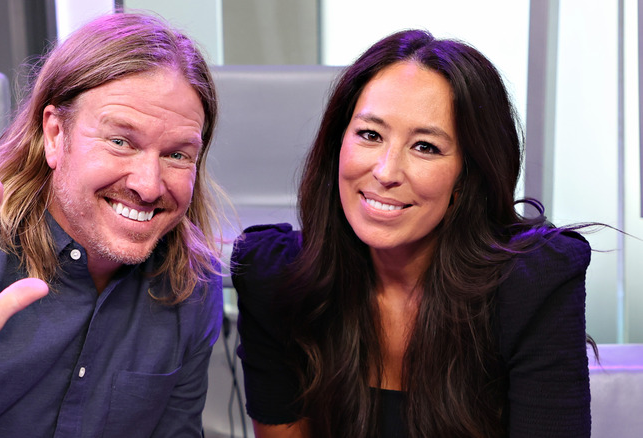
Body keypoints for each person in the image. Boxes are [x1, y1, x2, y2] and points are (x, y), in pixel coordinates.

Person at [0, 12, 224, 437]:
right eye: (120, 142)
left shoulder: (192, 283)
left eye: (178, 155)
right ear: (55, 135)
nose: (148, 186)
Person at [232, 29, 594, 438]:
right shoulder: (276, 278)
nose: (386, 172)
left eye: (425, 147)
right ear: (338, 145)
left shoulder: (532, 284)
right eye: (370, 135)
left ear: (466, 177)